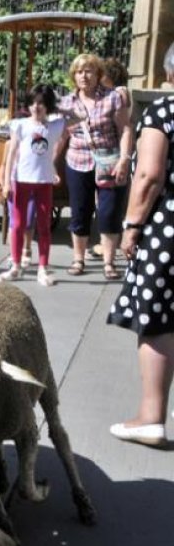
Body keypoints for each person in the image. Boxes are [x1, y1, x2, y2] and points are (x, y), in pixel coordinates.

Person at [107, 70, 174, 445]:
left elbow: (149, 174)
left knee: (159, 319)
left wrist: (131, 225)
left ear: (169, 73)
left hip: (167, 229)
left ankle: (151, 417)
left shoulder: (165, 110)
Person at [55, 53, 133, 279]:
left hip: (109, 162)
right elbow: (62, 136)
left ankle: (109, 262)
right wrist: (50, 163)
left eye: (88, 71)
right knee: (80, 211)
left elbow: (125, 129)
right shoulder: (67, 102)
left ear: (98, 74)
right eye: (79, 72)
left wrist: (124, 160)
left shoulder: (112, 98)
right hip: (77, 162)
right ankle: (78, 259)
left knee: (109, 212)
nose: (84, 76)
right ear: (74, 76)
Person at [0, 85, 63, 286]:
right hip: (21, 180)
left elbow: (80, 116)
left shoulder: (55, 125)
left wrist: (58, 107)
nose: (36, 107)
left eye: (42, 103)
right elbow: (11, 154)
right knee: (17, 225)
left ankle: (43, 267)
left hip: (44, 181)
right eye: (33, 102)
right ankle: (15, 265)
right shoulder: (20, 124)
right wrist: (7, 181)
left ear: (48, 106)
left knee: (43, 226)